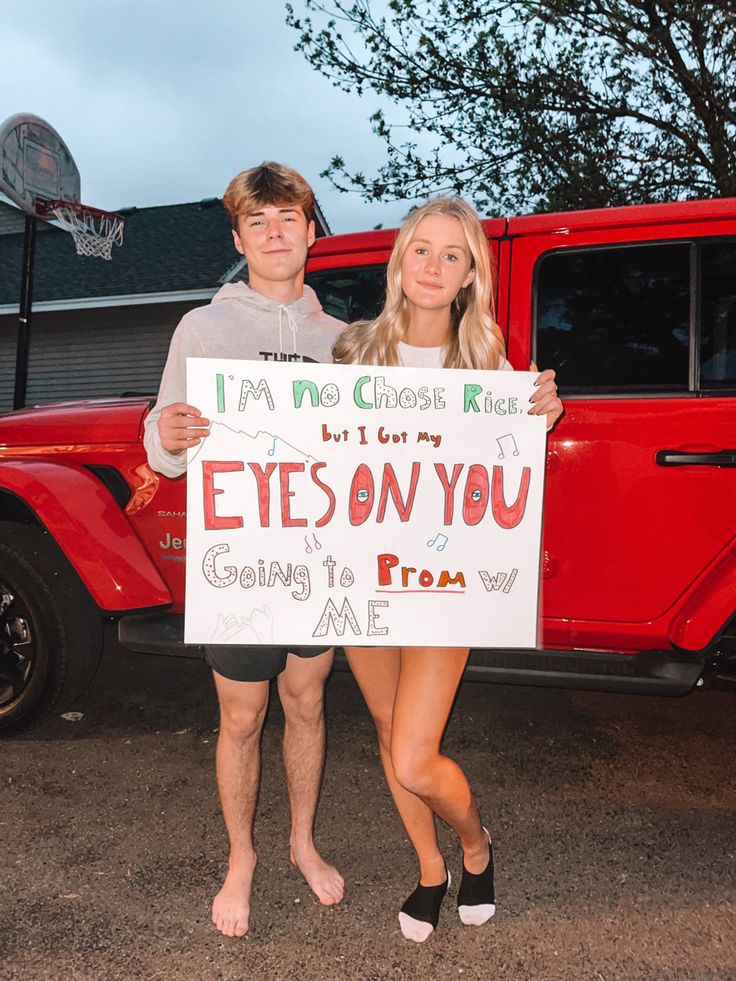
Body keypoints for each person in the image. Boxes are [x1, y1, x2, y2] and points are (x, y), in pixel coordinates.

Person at [332, 195, 563, 942]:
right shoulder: (350, 352)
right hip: (361, 577)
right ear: (400, 262)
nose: (434, 266)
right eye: (421, 250)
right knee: (385, 727)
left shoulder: (489, 367)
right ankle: (430, 868)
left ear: (470, 277)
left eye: (452, 255)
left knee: (413, 756)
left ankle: (475, 843)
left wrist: (539, 419)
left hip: (442, 582)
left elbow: (504, 479)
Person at [143, 162, 346, 938]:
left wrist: (520, 396)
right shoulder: (205, 327)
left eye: (287, 218)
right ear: (239, 237)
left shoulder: (345, 341)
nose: (274, 233)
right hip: (239, 563)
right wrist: (166, 436)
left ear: (310, 231)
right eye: (257, 222)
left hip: (320, 559)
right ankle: (242, 857)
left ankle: (301, 841)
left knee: (308, 701)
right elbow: (164, 437)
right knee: (241, 715)